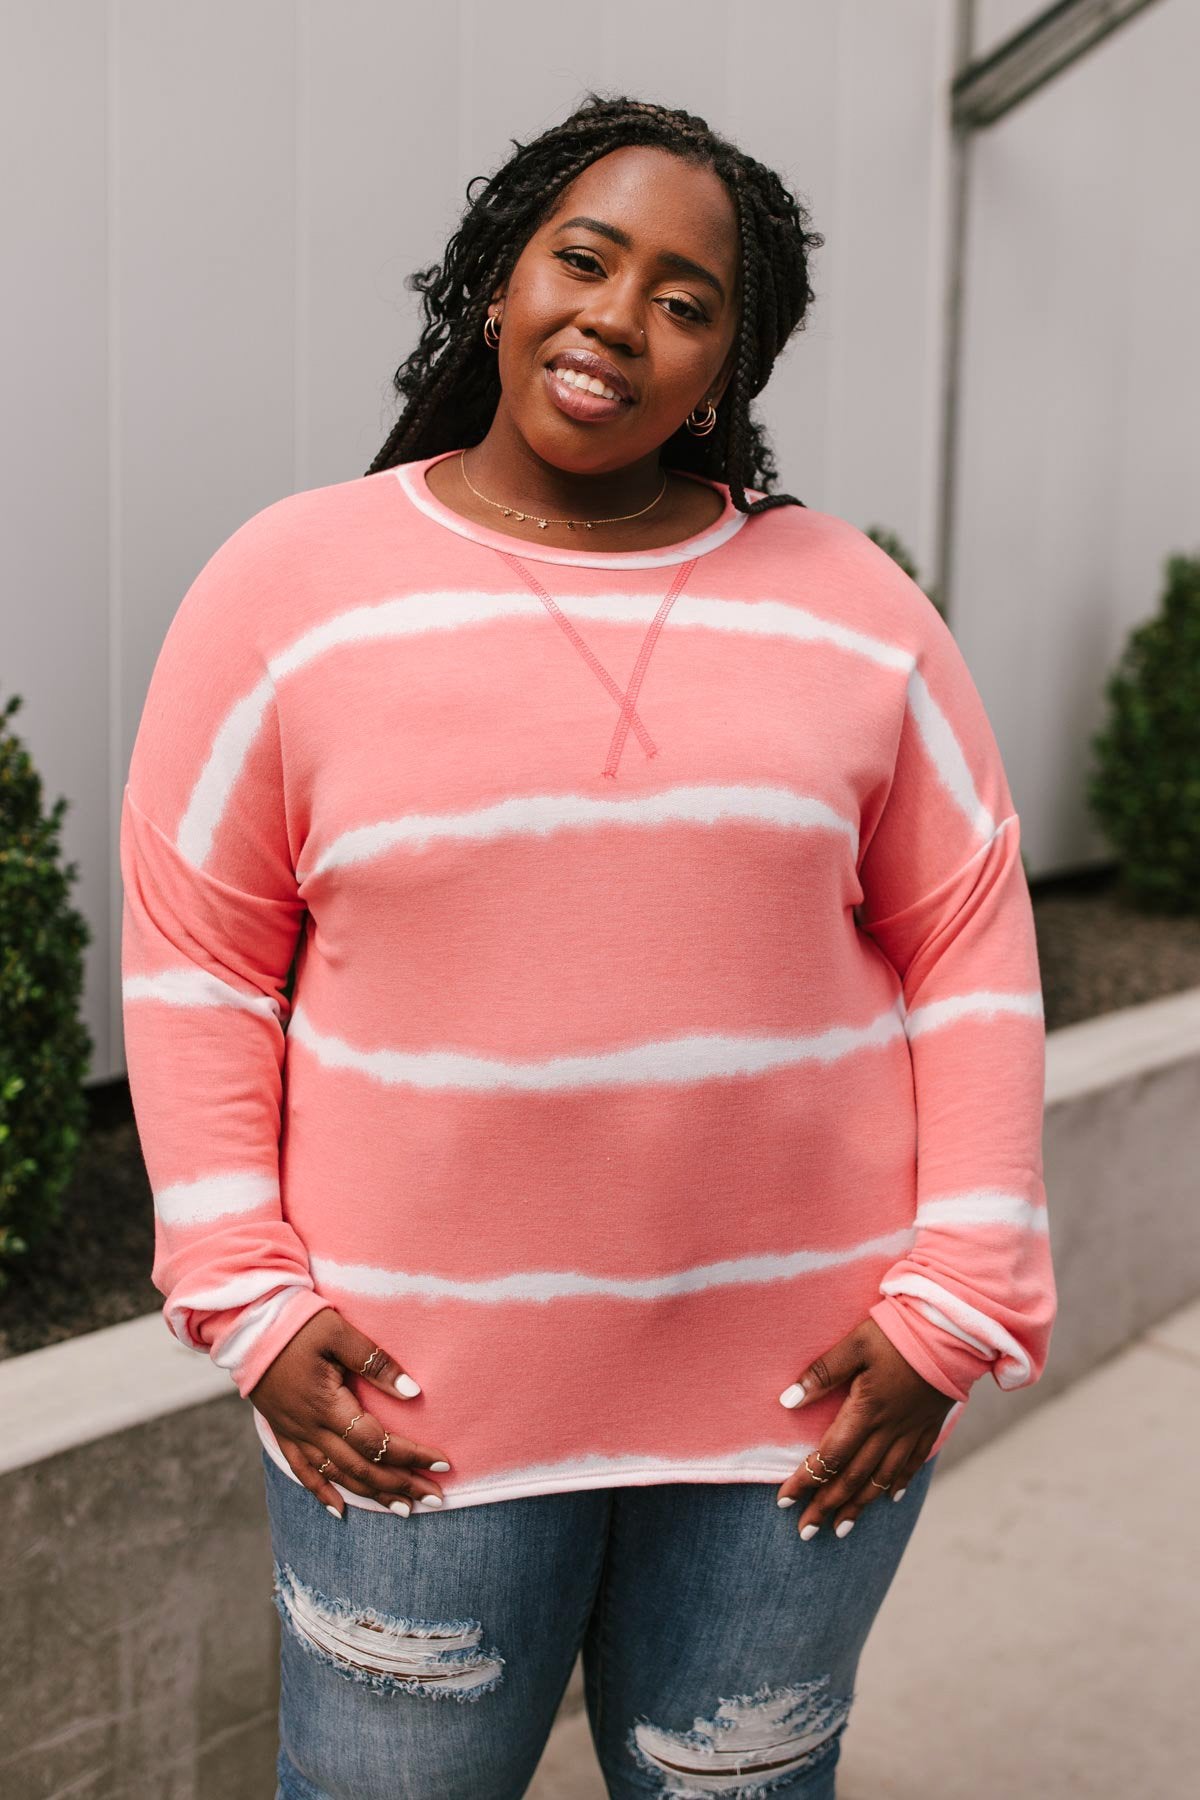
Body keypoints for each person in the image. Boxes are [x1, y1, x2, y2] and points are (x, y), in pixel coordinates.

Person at [120, 91, 1057, 1800]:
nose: (621, 320)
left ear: (729, 367)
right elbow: (200, 966)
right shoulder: (290, 586)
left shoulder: (852, 604)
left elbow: (973, 951)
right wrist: (245, 1298)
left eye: (689, 302)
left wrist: (955, 1308)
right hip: (415, 1406)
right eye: (586, 258)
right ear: (500, 281)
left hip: (803, 1412)